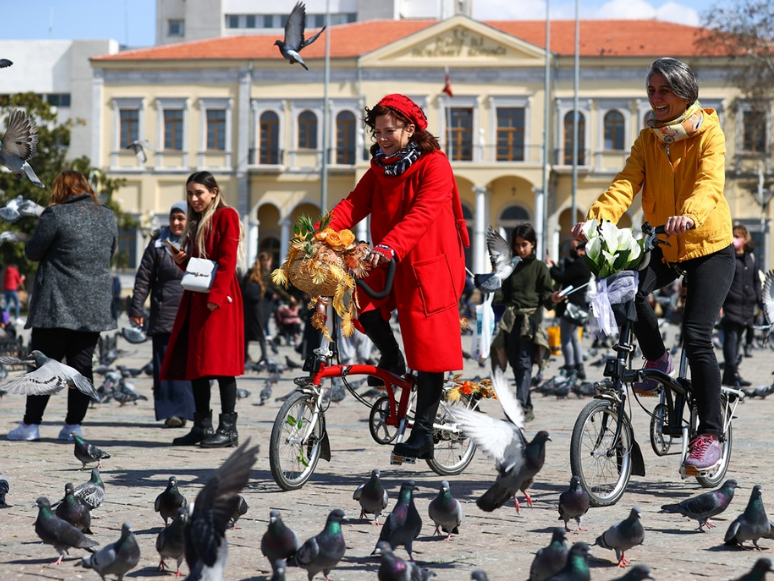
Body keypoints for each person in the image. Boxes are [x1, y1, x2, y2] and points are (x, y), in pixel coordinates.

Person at [571, 57, 734, 472]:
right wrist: (595, 222)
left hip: (708, 244)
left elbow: (709, 183)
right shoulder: (648, 139)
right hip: (666, 242)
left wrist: (692, 213)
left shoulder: (709, 133)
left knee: (697, 337)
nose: (655, 97)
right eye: (651, 89)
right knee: (624, 286)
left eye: (663, 90)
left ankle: (709, 434)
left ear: (684, 93)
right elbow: (625, 184)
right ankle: (657, 358)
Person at [326, 94, 469, 460]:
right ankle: (391, 356)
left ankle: (422, 432)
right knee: (352, 293)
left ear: (410, 127)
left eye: (389, 131)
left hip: (431, 264)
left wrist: (389, 246)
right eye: (377, 132)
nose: (382, 138)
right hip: (389, 256)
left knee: (428, 347)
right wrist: (319, 234)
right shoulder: (380, 167)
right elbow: (354, 204)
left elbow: (422, 213)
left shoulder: (435, 165)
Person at [7, 170, 117, 441]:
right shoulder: (108, 216)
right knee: (82, 366)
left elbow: (32, 252)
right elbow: (110, 252)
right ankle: (73, 426)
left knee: (43, 366)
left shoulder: (55, 215)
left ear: (60, 190)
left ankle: (31, 425)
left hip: (55, 304)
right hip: (92, 305)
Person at [160, 171, 245, 448]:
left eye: (199, 193)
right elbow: (200, 267)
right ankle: (202, 426)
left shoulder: (226, 215)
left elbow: (227, 259)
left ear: (213, 192)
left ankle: (228, 429)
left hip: (219, 300)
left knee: (222, 366)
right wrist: (183, 261)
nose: (194, 198)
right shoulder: (197, 223)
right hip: (198, 299)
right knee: (198, 365)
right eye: (190, 193)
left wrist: (217, 296)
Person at [129, 201, 196, 428]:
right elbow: (143, 278)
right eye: (173, 218)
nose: (176, 223)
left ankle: (190, 411)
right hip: (164, 311)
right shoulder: (157, 244)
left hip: (191, 310)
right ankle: (172, 413)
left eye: (181, 218)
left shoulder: (197, 242)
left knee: (188, 364)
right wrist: (136, 307)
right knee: (165, 363)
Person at [494, 224, 562, 422]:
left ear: (533, 244)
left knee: (524, 364)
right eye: (517, 245)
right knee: (515, 363)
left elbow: (546, 294)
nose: (520, 249)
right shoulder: (511, 266)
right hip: (511, 322)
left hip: (530, 323)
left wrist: (554, 298)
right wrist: (491, 286)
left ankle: (519, 407)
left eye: (524, 245)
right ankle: (528, 407)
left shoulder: (540, 268)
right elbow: (502, 294)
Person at [720, 224, 761, 387]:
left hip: (747, 306)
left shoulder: (750, 257)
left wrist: (760, 301)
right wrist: (720, 305)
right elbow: (722, 282)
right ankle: (733, 374)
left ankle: (729, 376)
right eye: (733, 235)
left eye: (737, 236)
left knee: (738, 342)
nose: (734, 239)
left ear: (744, 239)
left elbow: (756, 280)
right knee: (731, 339)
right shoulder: (728, 256)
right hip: (731, 303)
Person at [547, 239, 592, 379]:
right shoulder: (584, 264)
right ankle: (579, 367)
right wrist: (556, 266)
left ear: (583, 249)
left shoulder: (579, 264)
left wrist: (550, 267)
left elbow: (562, 277)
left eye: (575, 247)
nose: (573, 250)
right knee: (574, 338)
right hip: (578, 305)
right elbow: (568, 276)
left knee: (565, 338)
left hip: (571, 306)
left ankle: (569, 366)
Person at [242, 255, 269, 364]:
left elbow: (242, 286)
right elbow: (273, 288)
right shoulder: (265, 274)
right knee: (260, 333)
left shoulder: (249, 273)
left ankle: (245, 357)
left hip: (247, 307)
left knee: (246, 334)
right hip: (258, 307)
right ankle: (264, 356)